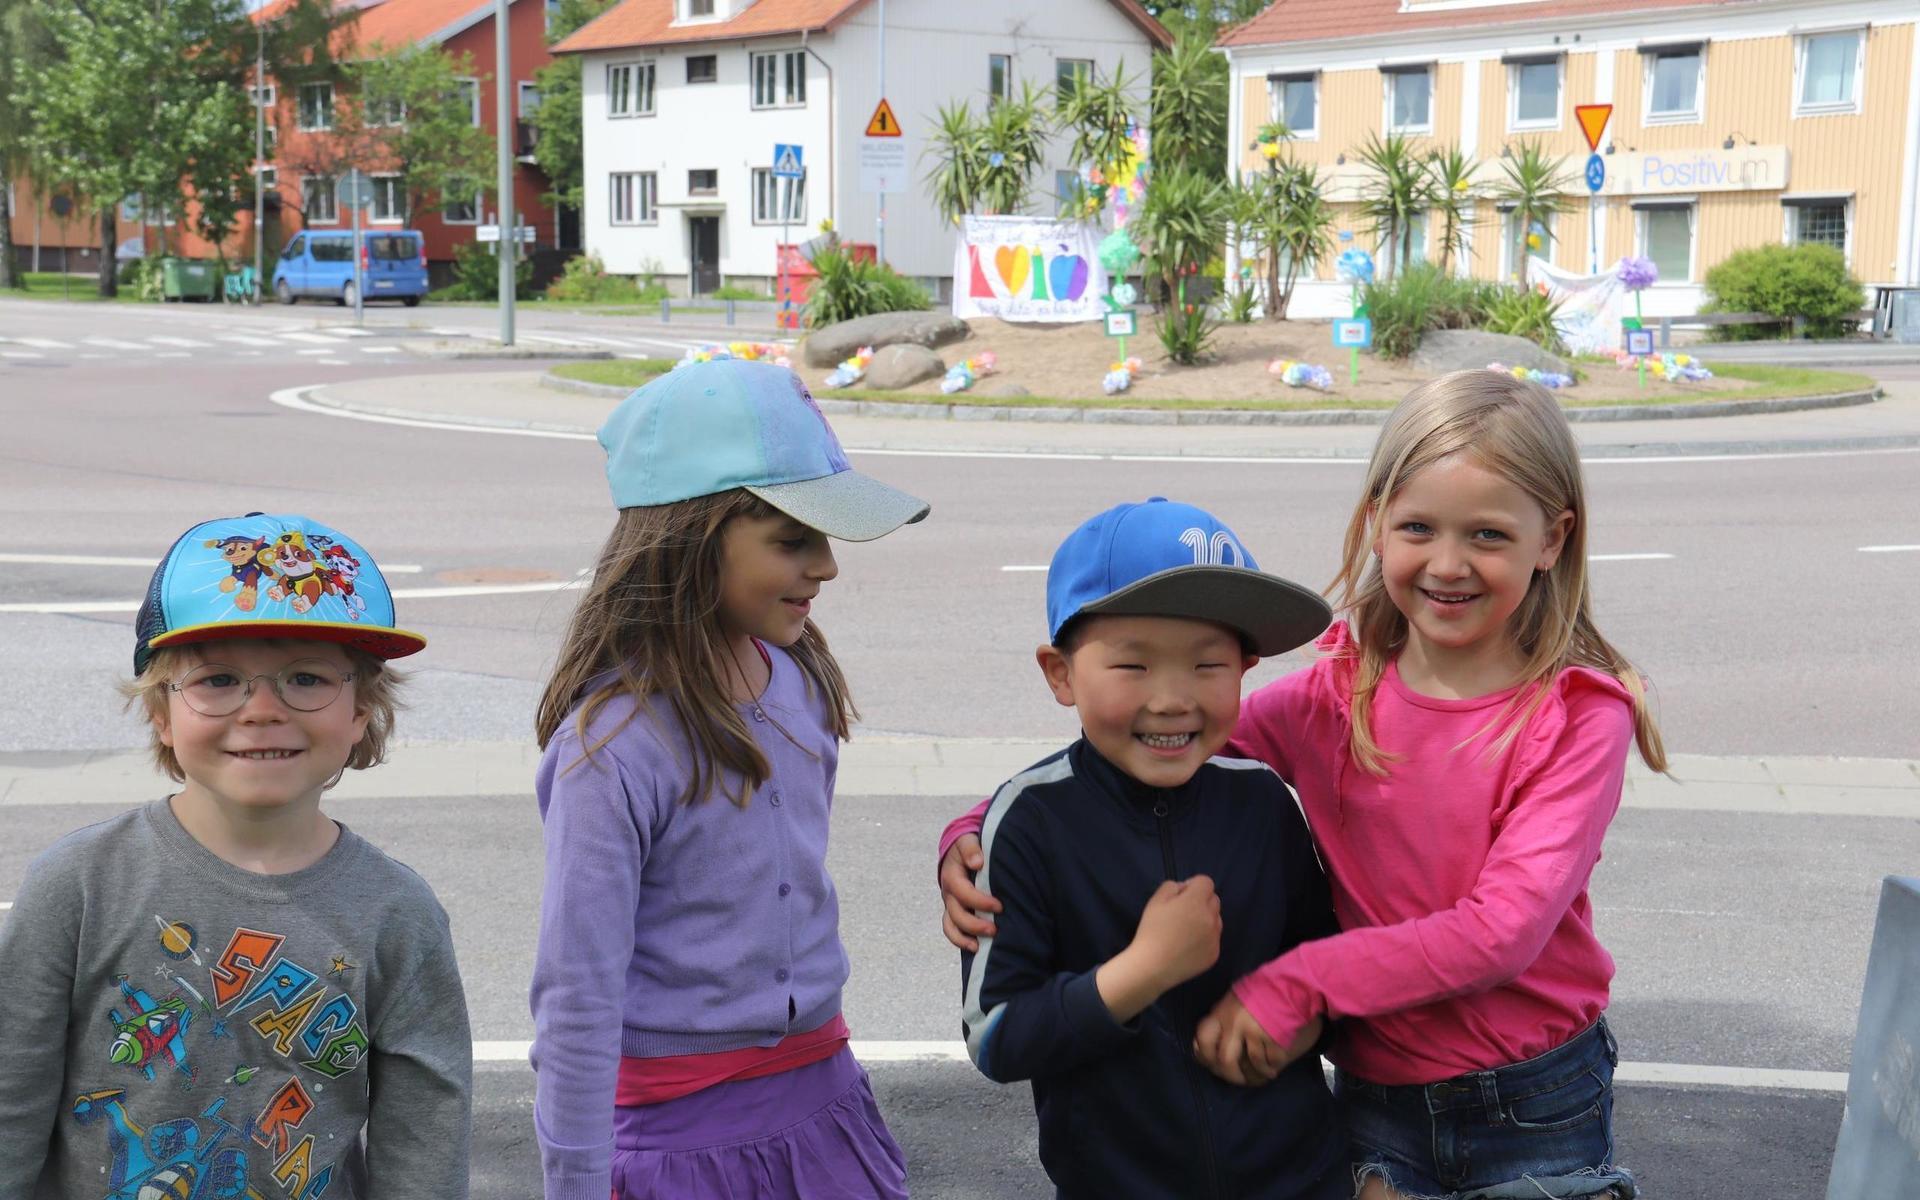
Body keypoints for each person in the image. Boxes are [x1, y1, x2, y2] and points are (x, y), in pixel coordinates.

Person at [940, 372, 1666, 1200]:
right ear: (1375, 526)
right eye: (1418, 527)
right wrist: (974, 831)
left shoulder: (1576, 715)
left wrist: (1295, 984)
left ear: (1553, 538)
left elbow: (1501, 932)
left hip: (1532, 1100)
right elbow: (1148, 750)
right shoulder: (1340, 694)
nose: (1449, 563)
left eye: (1490, 535)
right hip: (1369, 1097)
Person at [529, 359, 927, 1200]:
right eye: (792, 540)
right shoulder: (613, 749)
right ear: (688, 540)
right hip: (680, 1144)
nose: (826, 566)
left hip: (825, 1107)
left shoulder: (802, 681)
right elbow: (577, 997)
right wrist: (574, 1181)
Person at [0, 512, 473, 1198]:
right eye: (219, 680)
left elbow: (426, 1137)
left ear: (361, 713)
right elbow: (10, 1100)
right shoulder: (77, 887)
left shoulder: (398, 913)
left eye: (307, 679)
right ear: (161, 713)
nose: (261, 710)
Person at [960, 496, 1347, 1200]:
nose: (1173, 699)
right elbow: (996, 1037)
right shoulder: (1030, 822)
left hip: (1301, 1179)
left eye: (1207, 666)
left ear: (1246, 666)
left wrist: (1297, 1024)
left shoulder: (1263, 801)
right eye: (1134, 667)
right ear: (1059, 673)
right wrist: (1143, 969)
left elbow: (1326, 965)